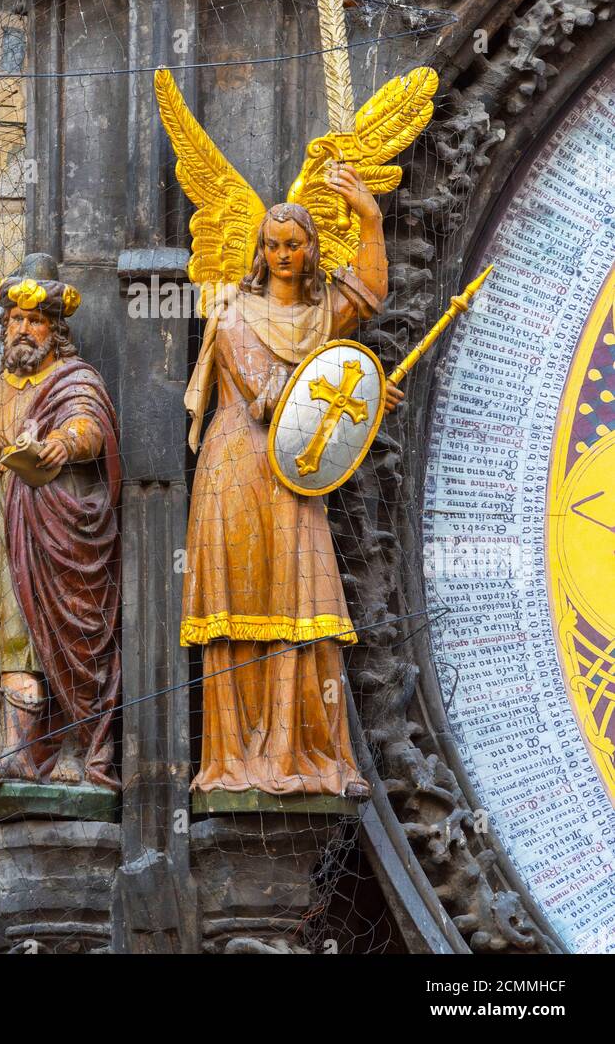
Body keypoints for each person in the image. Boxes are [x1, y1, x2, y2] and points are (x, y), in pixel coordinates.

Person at [182, 165, 402, 797]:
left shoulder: (316, 317)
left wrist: (370, 217)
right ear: (259, 251)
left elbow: (367, 293)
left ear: (310, 251)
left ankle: (304, 752)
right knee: (242, 606)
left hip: (297, 473)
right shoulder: (232, 316)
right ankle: (240, 760)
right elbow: (270, 396)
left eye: (294, 244)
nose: (281, 255)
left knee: (307, 602)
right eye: (272, 244)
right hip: (239, 466)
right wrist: (354, 383)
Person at [0, 267, 121, 790]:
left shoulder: (75, 379)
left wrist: (63, 444)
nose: (22, 330)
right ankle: (18, 753)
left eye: (34, 320)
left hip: (68, 535)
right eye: (14, 319)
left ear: (54, 330)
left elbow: (88, 425)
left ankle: (81, 750)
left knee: (76, 641)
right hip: (15, 536)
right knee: (16, 640)